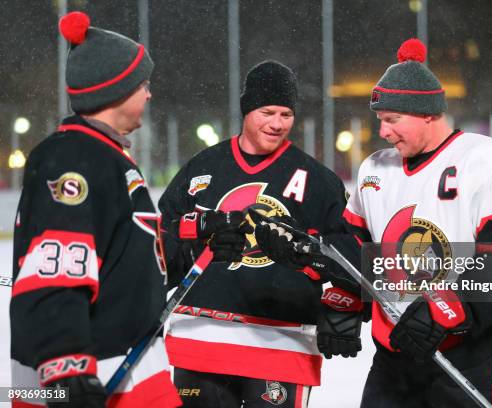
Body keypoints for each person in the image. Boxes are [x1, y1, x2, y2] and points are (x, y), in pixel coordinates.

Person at [255, 39, 492, 408]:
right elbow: (356, 251)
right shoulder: (375, 169)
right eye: (381, 121)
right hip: (397, 351)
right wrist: (338, 297)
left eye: (392, 120)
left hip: (474, 352)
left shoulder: (485, 158)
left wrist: (448, 305)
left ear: (427, 113)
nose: (384, 132)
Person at [158, 60, 363, 407]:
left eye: (286, 114)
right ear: (246, 109)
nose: (277, 124)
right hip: (200, 341)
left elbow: (354, 257)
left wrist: (345, 305)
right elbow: (161, 247)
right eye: (267, 112)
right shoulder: (203, 169)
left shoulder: (320, 182)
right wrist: (195, 242)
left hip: (281, 344)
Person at [9, 11, 183, 408]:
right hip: (96, 378)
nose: (150, 95)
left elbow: (128, 258)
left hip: (131, 368)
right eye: (144, 85)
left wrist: (200, 237)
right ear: (116, 91)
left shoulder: (105, 156)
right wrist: (65, 369)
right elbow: (54, 269)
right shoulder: (74, 157)